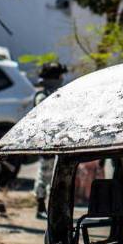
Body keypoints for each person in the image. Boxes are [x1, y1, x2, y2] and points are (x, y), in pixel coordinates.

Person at [33, 61, 68, 218]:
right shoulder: (42, 96)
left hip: (59, 142)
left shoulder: (57, 94)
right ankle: (41, 206)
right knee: (44, 174)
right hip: (47, 142)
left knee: (57, 177)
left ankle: (53, 209)